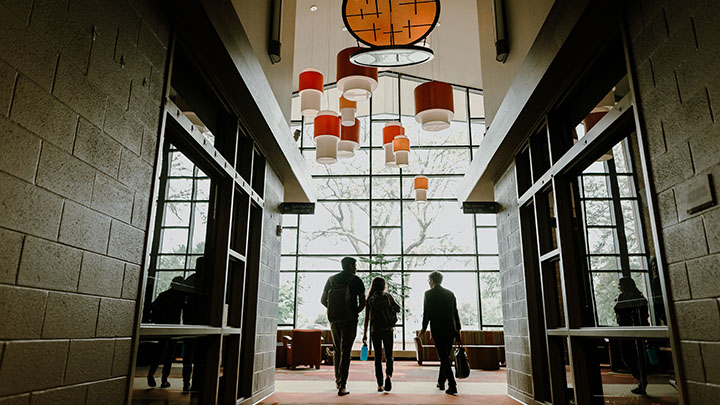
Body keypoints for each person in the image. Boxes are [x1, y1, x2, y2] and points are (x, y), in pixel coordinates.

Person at [321, 257, 366, 396]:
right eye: (355, 265)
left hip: (334, 320)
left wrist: (334, 310)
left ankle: (337, 379)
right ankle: (343, 385)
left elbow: (323, 300)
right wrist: (353, 313)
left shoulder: (331, 280)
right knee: (346, 351)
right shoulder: (356, 280)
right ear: (351, 266)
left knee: (338, 350)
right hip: (349, 320)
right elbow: (363, 303)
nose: (356, 267)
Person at [420, 271, 461, 395]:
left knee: (443, 357)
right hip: (450, 329)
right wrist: (458, 330)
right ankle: (441, 382)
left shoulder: (428, 294)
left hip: (437, 329)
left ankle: (452, 384)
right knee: (445, 357)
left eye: (429, 280)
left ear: (432, 280)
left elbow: (427, 313)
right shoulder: (450, 294)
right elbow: (455, 313)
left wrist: (423, 329)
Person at [362, 277, 401, 392]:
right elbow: (398, 308)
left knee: (377, 357)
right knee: (389, 355)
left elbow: (367, 318)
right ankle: (388, 376)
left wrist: (364, 334)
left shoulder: (370, 299)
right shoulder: (388, 296)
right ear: (384, 285)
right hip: (388, 329)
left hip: (375, 330)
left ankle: (379, 384)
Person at [147, 276, 186, 388]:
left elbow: (152, 306)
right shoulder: (180, 297)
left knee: (159, 352)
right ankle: (164, 379)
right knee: (169, 355)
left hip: (163, 327)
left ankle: (151, 373)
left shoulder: (164, 295)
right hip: (173, 328)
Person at [614, 276, 649, 395]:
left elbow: (618, 308)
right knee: (637, 357)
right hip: (635, 330)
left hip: (628, 330)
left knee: (629, 356)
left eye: (620, 284)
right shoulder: (638, 296)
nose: (619, 286)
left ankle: (641, 379)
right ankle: (642, 379)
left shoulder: (624, 297)